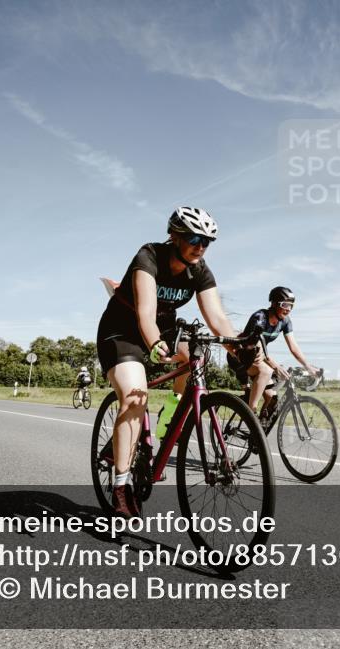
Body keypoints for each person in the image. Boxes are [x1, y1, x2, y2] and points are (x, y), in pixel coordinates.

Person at [96, 206, 243, 518]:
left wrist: (237, 348)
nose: (200, 246)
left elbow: (217, 317)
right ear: (174, 236)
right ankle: (122, 487)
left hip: (163, 330)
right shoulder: (149, 256)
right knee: (135, 396)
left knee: (195, 355)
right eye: (194, 238)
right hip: (123, 331)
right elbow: (145, 313)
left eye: (207, 241)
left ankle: (169, 417)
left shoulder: (199, 269)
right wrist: (154, 344)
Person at [228, 286, 320, 422]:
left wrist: (307, 366)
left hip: (259, 358)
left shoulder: (285, 322)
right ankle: (251, 417)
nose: (288, 309)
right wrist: (275, 366)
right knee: (266, 371)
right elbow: (257, 347)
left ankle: (259, 433)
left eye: (291, 306)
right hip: (241, 356)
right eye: (285, 305)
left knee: (272, 397)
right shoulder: (259, 318)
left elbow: (293, 347)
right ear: (274, 303)